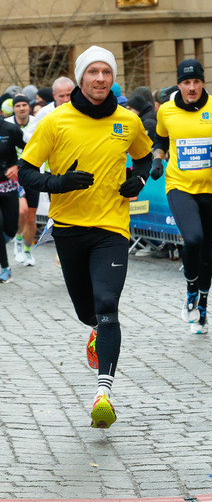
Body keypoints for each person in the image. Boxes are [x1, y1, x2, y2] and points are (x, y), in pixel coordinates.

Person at [18, 46, 153, 427]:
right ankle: (96, 330)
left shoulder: (127, 121)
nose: (99, 79)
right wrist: (58, 183)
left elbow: (145, 157)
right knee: (87, 311)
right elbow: (26, 172)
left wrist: (138, 179)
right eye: (92, 72)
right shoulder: (54, 121)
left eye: (106, 72)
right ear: (81, 78)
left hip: (112, 227)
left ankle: (102, 395)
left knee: (108, 304)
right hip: (68, 228)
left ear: (113, 78)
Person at [152, 59, 212, 335]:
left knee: (206, 250)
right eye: (186, 82)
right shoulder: (167, 111)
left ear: (202, 82)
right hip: (179, 185)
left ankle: (202, 306)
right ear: (178, 84)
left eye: (196, 82)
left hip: (211, 189)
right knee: (192, 238)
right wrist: (158, 160)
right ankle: (191, 287)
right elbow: (160, 141)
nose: (191, 88)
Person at [7, 95, 39, 266]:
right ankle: (18, 241)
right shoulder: (7, 125)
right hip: (14, 176)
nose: (21, 108)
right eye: (18, 105)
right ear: (14, 109)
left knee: (31, 218)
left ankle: (27, 251)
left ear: (29, 107)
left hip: (33, 174)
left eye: (24, 105)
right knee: (22, 211)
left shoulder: (37, 122)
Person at [0, 118, 25, 282]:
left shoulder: (10, 129)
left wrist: (17, 166)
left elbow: (31, 150)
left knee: (10, 228)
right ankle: (5, 266)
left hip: (8, 186)